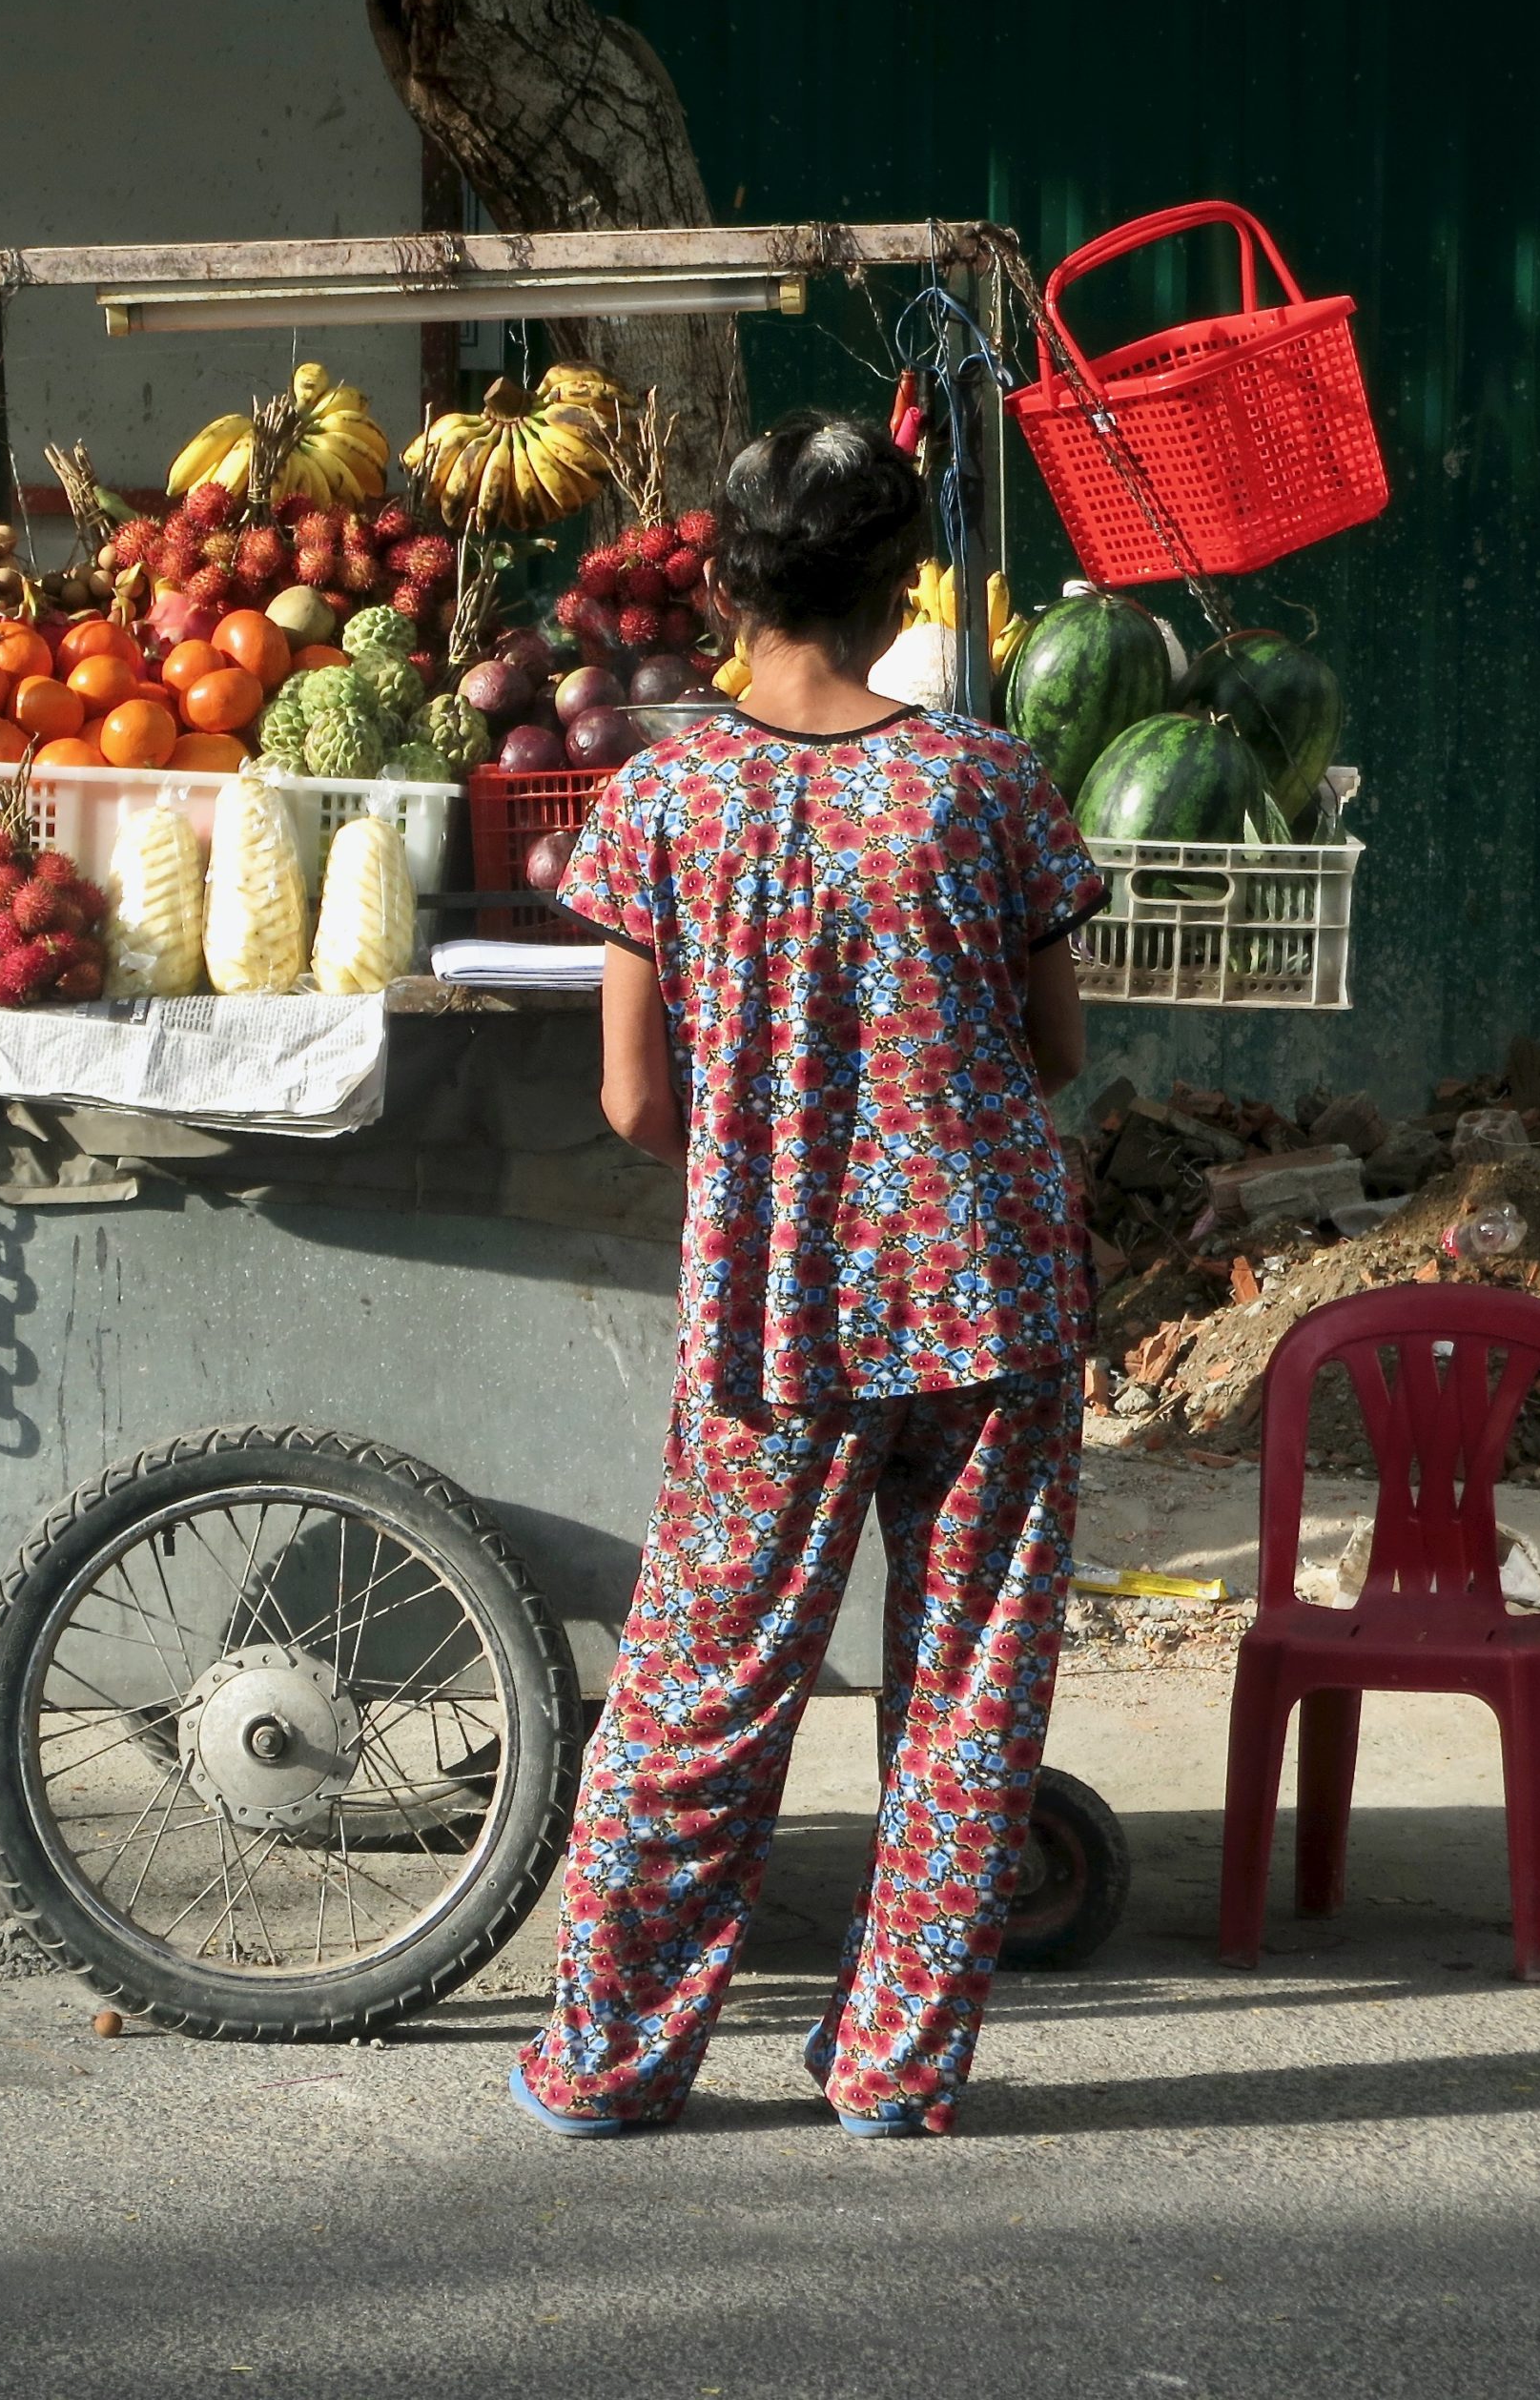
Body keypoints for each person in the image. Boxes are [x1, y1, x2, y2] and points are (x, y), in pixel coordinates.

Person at [508, 410, 1104, 2140]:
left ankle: (611, 2063)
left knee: (704, 1688)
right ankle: (895, 2070)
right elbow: (1052, 1053)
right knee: (965, 1697)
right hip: (995, 1303)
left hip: (780, 1311)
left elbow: (633, 1099)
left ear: (721, 582)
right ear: (900, 581)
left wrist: (775, 1122)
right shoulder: (988, 784)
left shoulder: (663, 794)